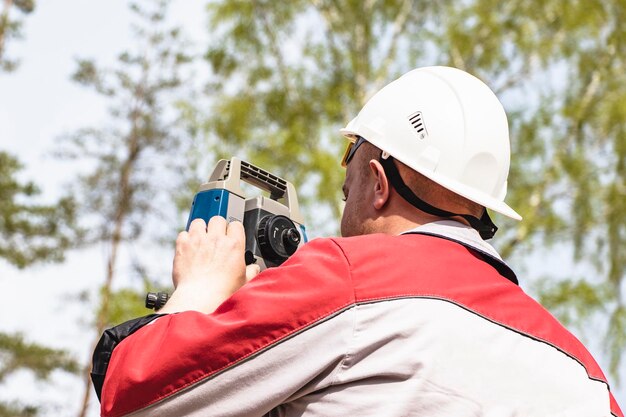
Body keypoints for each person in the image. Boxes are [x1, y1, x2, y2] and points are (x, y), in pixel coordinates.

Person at [92, 66, 623, 417]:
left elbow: (135, 394)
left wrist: (200, 292)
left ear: (378, 181)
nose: (342, 178)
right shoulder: (587, 377)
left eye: (350, 156)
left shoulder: (348, 279)